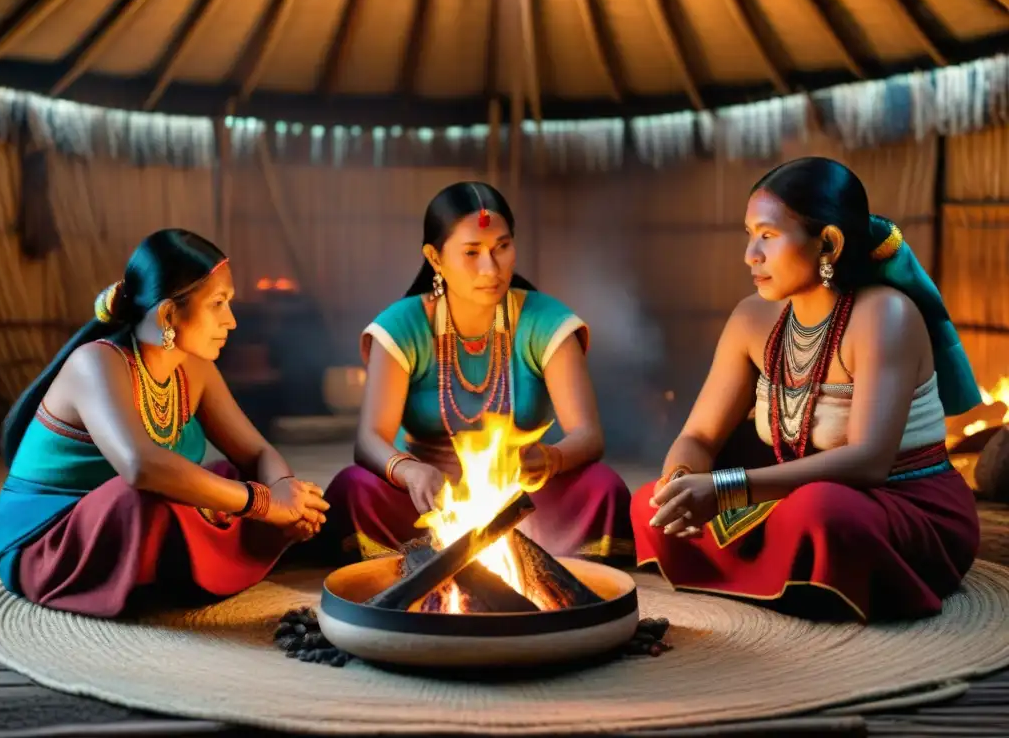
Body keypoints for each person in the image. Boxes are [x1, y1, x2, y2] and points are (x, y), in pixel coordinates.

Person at [632, 157, 981, 623]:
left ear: (829, 243)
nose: (750, 254)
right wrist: (681, 484)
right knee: (649, 501)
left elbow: (869, 460)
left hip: (898, 504)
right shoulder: (751, 318)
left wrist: (726, 490)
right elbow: (699, 437)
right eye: (749, 234)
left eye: (768, 236)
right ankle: (793, 579)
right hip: (785, 498)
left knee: (820, 511)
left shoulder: (885, 316)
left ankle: (780, 572)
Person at [0, 229, 329, 618]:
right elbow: (140, 467)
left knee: (221, 478)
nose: (231, 321)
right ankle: (190, 567)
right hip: (49, 541)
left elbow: (256, 451)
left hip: (132, 519)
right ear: (168, 314)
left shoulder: (195, 367)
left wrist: (288, 494)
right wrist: (264, 504)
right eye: (218, 303)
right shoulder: (96, 364)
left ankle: (184, 568)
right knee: (154, 496)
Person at [323, 181, 633, 563]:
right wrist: (410, 473)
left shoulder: (546, 322)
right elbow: (369, 440)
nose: (491, 268)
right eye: (472, 252)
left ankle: (540, 565)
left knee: (603, 488)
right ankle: (412, 565)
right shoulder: (402, 327)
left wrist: (549, 458)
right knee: (354, 488)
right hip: (427, 503)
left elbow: (587, 436)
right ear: (435, 259)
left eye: (502, 247)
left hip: (522, 498)